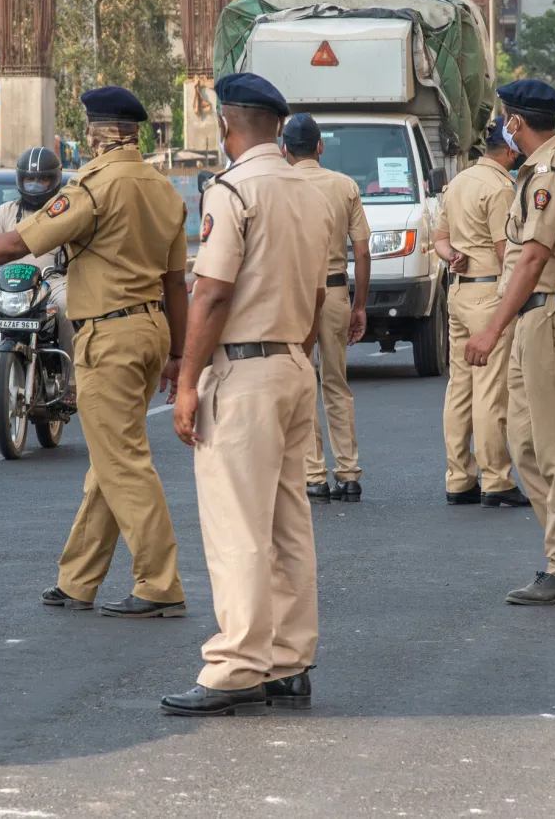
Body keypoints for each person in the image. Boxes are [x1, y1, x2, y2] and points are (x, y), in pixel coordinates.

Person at [0, 86, 191, 617]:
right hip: (151, 333)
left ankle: (160, 584)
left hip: (109, 335)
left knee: (123, 463)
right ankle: (79, 580)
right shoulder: (164, 190)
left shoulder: (93, 189)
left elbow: (17, 243)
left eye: (87, 128)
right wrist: (179, 354)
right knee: (109, 459)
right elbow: (175, 284)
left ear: (100, 133)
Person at [160, 73, 333, 717]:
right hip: (292, 363)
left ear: (228, 127)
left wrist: (186, 384)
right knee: (289, 524)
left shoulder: (232, 190)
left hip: (244, 370)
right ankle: (290, 660)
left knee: (237, 525)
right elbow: (318, 295)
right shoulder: (311, 191)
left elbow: (211, 292)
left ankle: (235, 666)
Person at [464, 78, 555, 605]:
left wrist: (491, 328)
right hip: (535, 318)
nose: (504, 124)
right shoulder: (539, 169)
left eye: (506, 117)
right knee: (524, 444)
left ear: (516, 123)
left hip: (552, 316)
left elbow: (532, 258)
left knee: (554, 447)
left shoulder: (553, 173)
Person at [434, 118, 531, 508]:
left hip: (459, 292)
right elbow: (506, 251)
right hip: (490, 293)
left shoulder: (457, 184)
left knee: (460, 388)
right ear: (508, 151)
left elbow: (441, 241)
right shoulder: (501, 189)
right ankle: (496, 479)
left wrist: (455, 256)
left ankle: (459, 478)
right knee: (491, 390)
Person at [285, 113, 373, 504]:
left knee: (302, 382)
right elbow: (363, 250)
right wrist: (360, 305)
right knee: (336, 384)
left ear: (285, 149)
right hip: (337, 293)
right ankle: (349, 473)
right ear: (320, 147)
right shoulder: (345, 186)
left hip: (295, 297)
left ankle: (314, 474)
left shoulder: (279, 185)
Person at [0, 147, 73, 407]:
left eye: (42, 180)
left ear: (54, 180)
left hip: (54, 281)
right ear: (20, 180)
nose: (35, 185)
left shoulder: (65, 211)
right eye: (29, 180)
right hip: (8, 285)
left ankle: (72, 385)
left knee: (71, 310)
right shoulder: (5, 212)